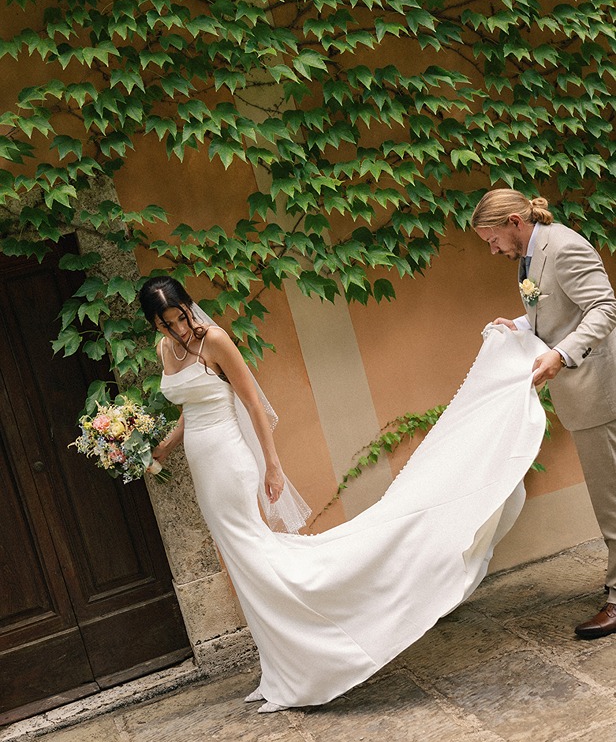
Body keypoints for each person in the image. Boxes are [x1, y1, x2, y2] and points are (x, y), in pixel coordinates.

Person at [139, 275, 548, 712]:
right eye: (167, 324)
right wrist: (159, 448)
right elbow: (191, 405)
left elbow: (252, 402)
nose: (180, 329)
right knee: (243, 566)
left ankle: (320, 653)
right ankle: (280, 668)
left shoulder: (214, 340)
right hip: (202, 465)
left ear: (188, 306)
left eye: (181, 317)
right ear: (155, 325)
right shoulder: (166, 350)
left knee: (256, 557)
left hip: (229, 461)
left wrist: (272, 466)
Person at [471, 188, 616, 639]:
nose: (492, 249)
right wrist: (515, 325)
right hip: (584, 392)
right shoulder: (530, 255)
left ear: (515, 221)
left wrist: (561, 355)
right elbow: (554, 311)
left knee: (610, 498)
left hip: (600, 390)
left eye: (492, 238)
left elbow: (605, 306)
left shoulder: (566, 246)